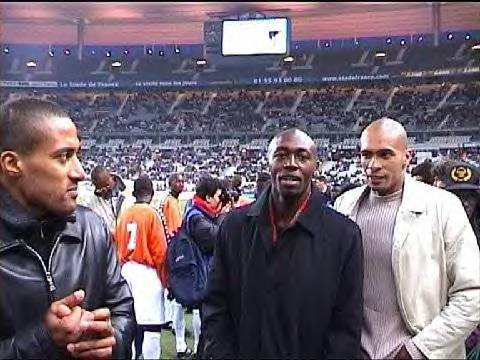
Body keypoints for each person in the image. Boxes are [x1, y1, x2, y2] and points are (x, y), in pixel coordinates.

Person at [201, 128, 364, 359]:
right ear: (269, 163)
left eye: (302, 156)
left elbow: (346, 326)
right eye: (281, 155)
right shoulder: (234, 228)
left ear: (315, 167)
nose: (291, 163)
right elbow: (216, 308)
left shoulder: (344, 236)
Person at [0, 97, 135, 359]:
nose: (80, 173)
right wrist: (45, 339)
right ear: (12, 164)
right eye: (63, 157)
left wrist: (112, 341)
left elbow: (122, 312)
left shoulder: (92, 230)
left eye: (78, 155)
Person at [334, 118, 480, 359]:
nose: (373, 164)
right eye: (366, 155)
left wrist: (418, 349)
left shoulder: (443, 207)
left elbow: (473, 292)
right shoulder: (344, 205)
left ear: (407, 157)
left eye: (385, 155)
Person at [114, 175, 168, 360]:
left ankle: (134, 355)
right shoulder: (152, 214)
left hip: (126, 269)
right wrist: (166, 280)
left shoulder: (125, 214)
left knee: (132, 323)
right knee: (152, 325)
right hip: (147, 272)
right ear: (151, 194)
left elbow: (116, 245)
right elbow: (160, 252)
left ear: (134, 193)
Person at [187, 175, 230, 355]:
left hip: (208, 275)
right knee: (210, 329)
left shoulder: (202, 213)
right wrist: (224, 215)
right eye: (218, 196)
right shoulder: (196, 216)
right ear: (208, 197)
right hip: (204, 277)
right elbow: (216, 239)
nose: (220, 200)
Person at [161, 173, 194, 358]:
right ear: (170, 183)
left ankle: (171, 321)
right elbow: (175, 232)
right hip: (174, 253)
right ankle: (178, 336)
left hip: (170, 252)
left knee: (172, 294)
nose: (181, 184)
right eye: (177, 181)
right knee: (177, 294)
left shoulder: (170, 201)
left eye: (183, 181)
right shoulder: (171, 203)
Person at [85, 165, 127, 233]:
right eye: (100, 189)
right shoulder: (92, 203)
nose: (104, 190)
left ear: (111, 177)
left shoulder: (128, 195)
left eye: (106, 186)